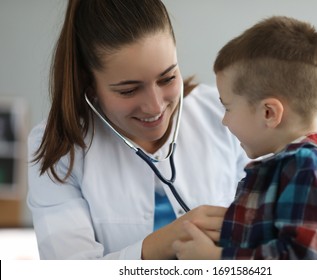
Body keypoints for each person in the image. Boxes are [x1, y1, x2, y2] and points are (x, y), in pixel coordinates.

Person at [27, 0, 248, 260]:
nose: (155, 106)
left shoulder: (228, 113)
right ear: (90, 85)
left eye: (167, 78)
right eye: (129, 90)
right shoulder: (59, 146)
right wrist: (165, 242)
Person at [172, 15, 317, 260]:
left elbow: (301, 259)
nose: (224, 120)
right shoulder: (287, 168)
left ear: (269, 113)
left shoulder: (306, 167)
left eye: (228, 107)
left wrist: (216, 259)